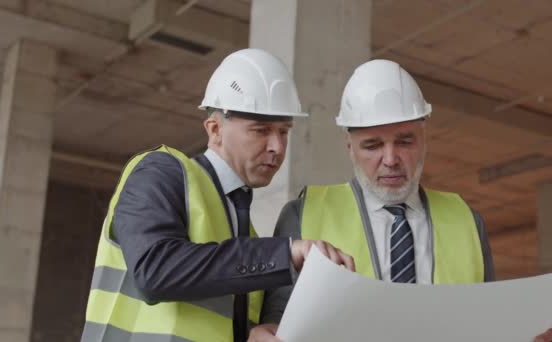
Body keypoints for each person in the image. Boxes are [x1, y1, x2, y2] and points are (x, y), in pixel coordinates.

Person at [250, 60, 552, 342]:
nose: (390, 159)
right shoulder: (302, 215)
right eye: (372, 145)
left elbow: (486, 326)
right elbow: (279, 321)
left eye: (405, 141)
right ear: (349, 146)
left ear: (424, 139)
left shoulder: (467, 220)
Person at [80, 48, 354, 342]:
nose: (276, 146)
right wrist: (284, 253)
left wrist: (254, 333)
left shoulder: (244, 234)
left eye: (284, 131)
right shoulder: (162, 171)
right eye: (261, 130)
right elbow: (154, 270)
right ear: (215, 129)